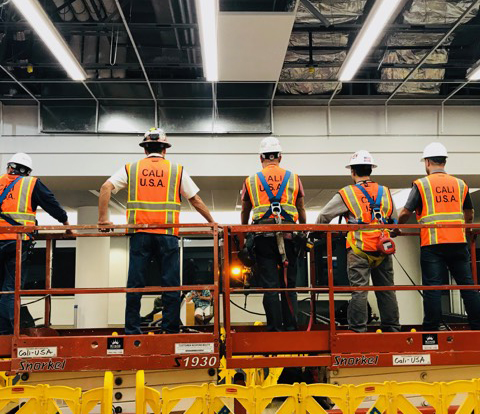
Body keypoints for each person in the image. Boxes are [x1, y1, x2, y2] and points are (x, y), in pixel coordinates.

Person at [98, 128, 215, 335]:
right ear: (165, 149)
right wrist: (211, 222)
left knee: (135, 285)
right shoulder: (176, 170)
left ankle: (132, 329)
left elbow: (105, 187)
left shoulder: (131, 169)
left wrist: (103, 220)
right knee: (170, 284)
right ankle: (170, 329)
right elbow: (195, 199)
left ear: (144, 150)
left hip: (140, 235)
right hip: (167, 235)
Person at [316, 150, 400, 333]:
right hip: (383, 249)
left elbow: (324, 216)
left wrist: (317, 233)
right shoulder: (384, 191)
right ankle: (392, 328)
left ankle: (358, 330)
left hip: (359, 249)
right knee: (387, 289)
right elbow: (394, 223)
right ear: (371, 169)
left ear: (352, 171)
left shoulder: (348, 193)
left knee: (360, 291)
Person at [398, 142, 480, 331]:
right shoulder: (460, 184)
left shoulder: (422, 184)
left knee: (433, 287)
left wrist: (396, 227)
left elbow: (405, 212)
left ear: (427, 162)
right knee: (467, 286)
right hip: (459, 242)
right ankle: (477, 326)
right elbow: (469, 212)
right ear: (444, 161)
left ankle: (432, 329)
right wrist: (466, 229)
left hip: (433, 244)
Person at [240, 136, 306, 332]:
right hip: (289, 236)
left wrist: (244, 236)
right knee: (289, 284)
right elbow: (301, 208)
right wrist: (303, 232)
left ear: (261, 158)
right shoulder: (294, 178)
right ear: (280, 157)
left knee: (270, 284)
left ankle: (274, 327)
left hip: (263, 237)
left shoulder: (251, 180)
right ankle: (291, 327)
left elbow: (245, 210)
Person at [0, 153, 71, 334]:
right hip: (16, 242)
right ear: (27, 171)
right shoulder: (31, 183)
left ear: (9, 167)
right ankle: (6, 333)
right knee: (11, 289)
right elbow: (51, 204)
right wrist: (65, 223)